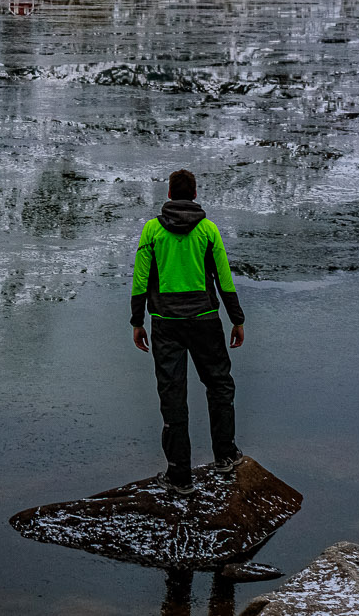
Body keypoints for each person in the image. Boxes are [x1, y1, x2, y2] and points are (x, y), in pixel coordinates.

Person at [131, 168, 244, 493]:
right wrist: (237, 318)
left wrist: (137, 322)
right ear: (194, 195)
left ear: (168, 195)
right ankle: (225, 455)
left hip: (165, 324)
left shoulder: (152, 230)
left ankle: (179, 474)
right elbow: (223, 278)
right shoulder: (208, 230)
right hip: (206, 320)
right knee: (219, 386)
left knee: (173, 395)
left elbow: (140, 280)